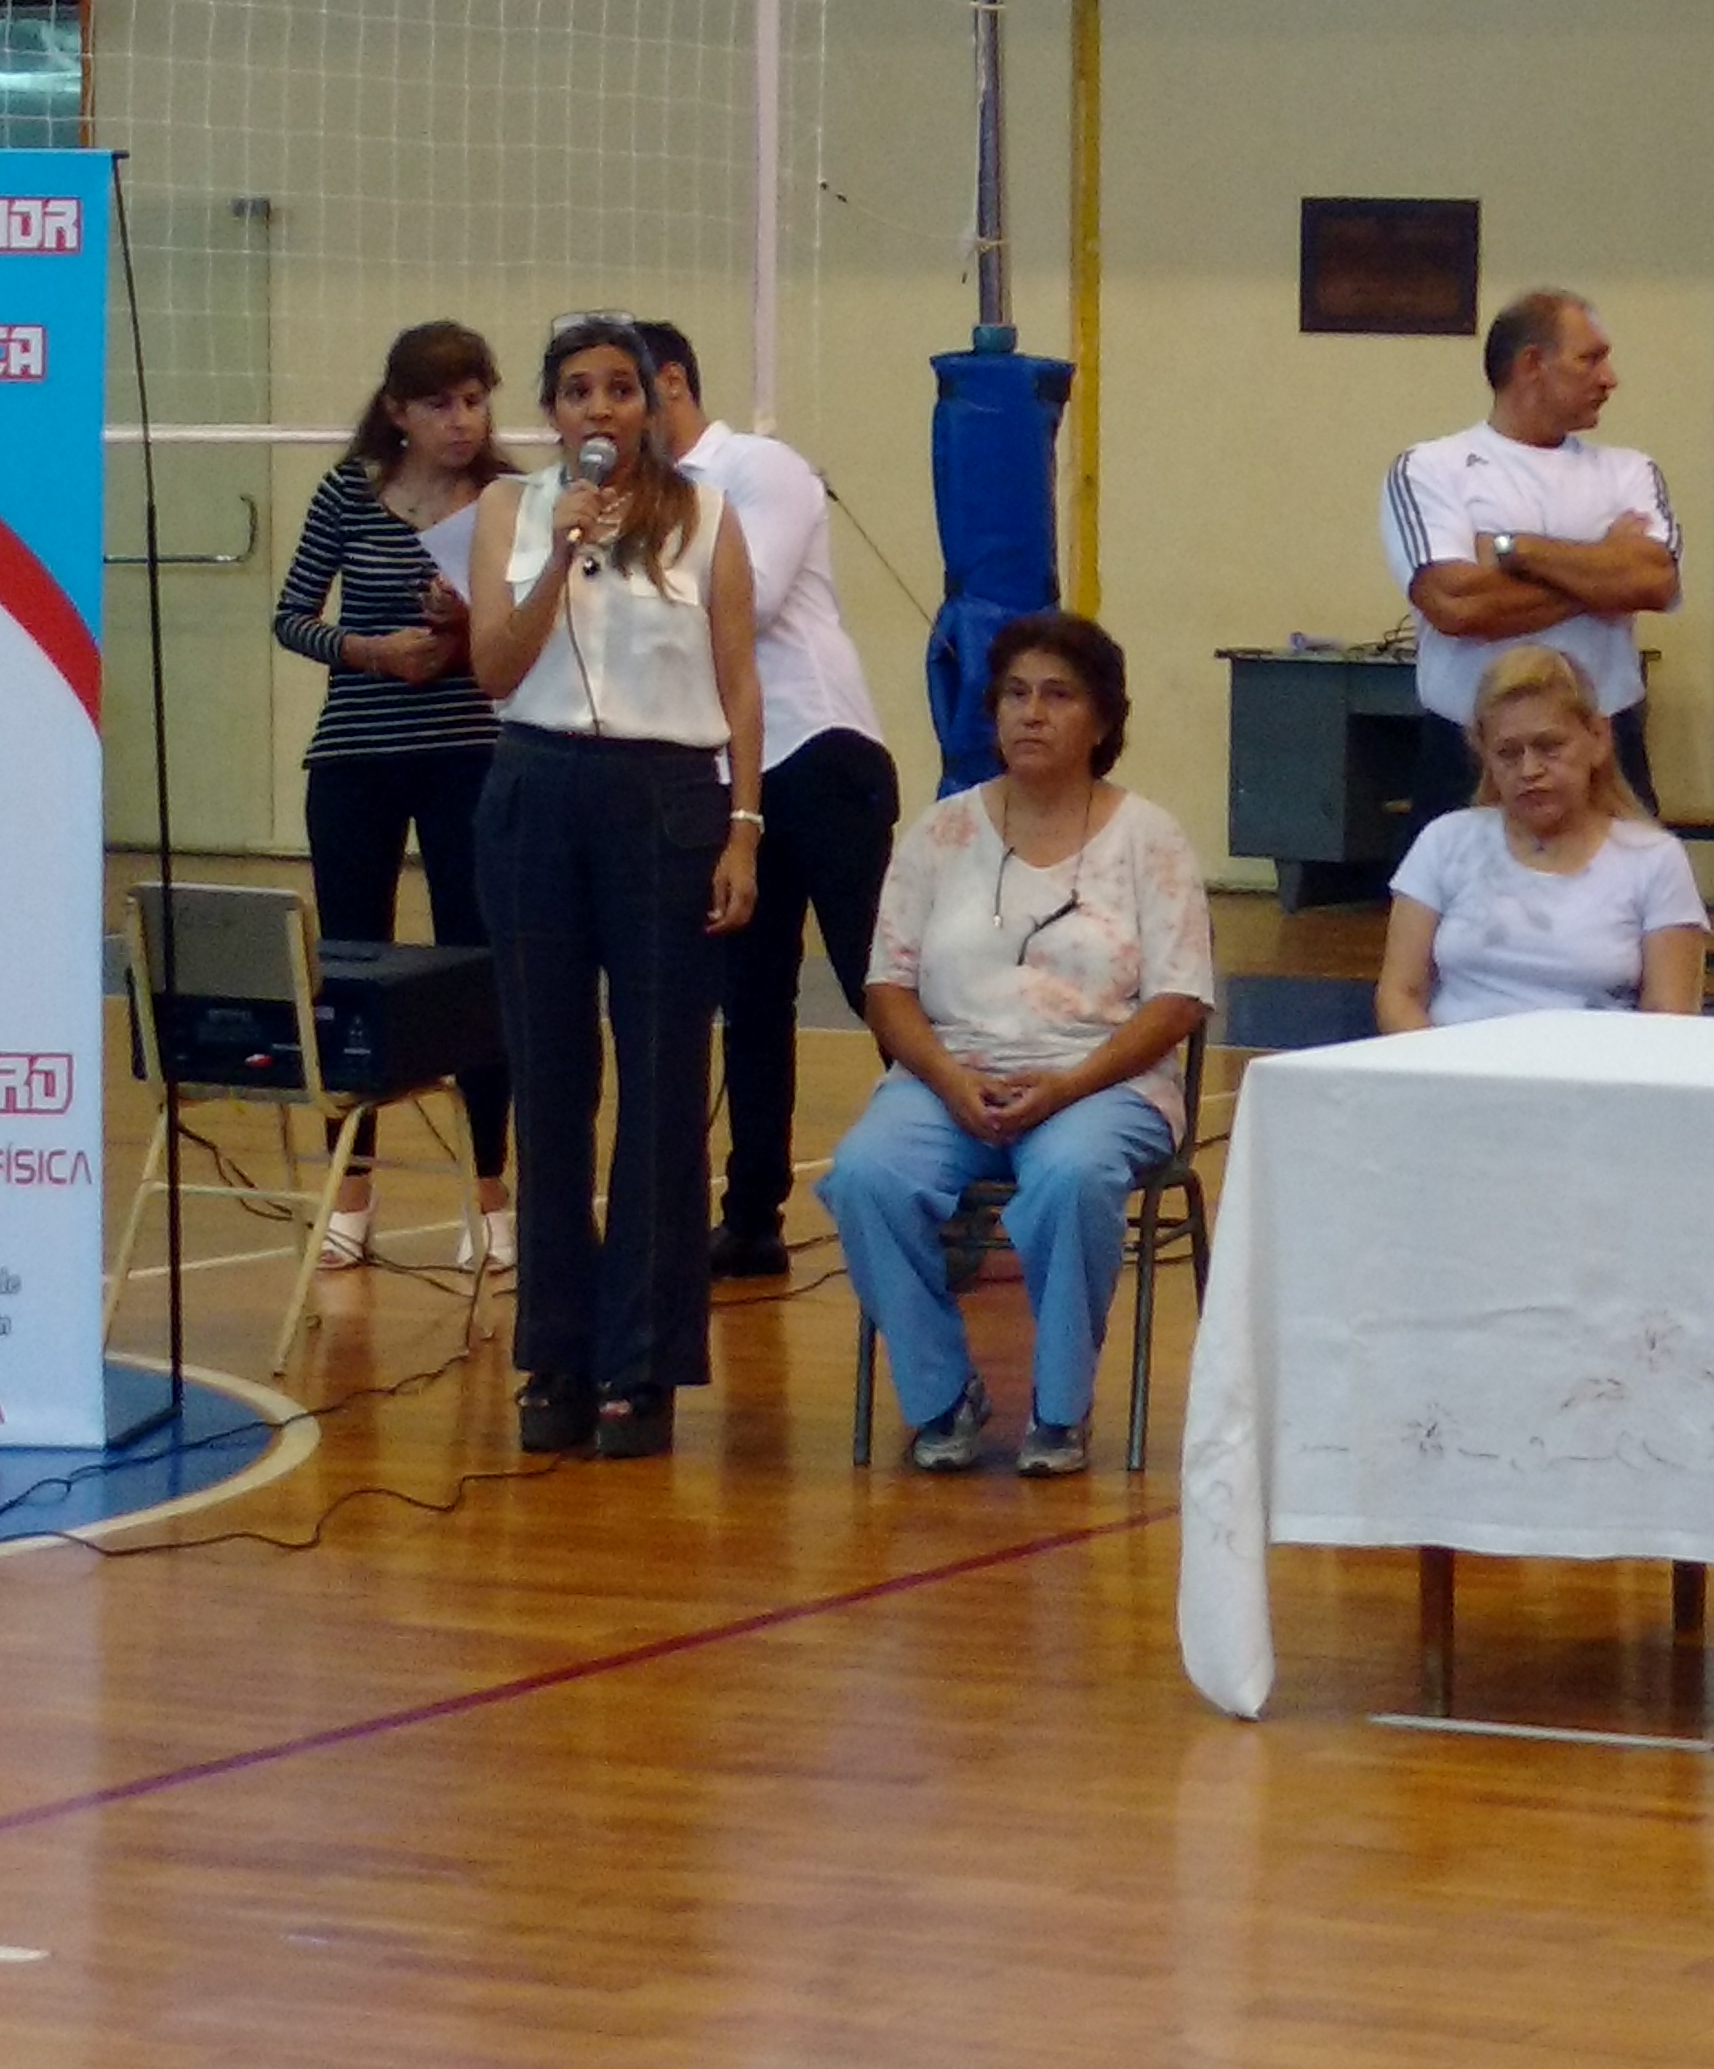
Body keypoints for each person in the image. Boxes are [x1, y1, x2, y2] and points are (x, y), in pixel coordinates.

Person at [816, 610, 1216, 1479]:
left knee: (1071, 1178)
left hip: (1103, 1081)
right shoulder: (941, 831)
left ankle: (1059, 1410)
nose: (1032, 713)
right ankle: (942, 1396)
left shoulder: (1151, 838)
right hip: (949, 1078)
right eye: (1016, 695)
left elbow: (1180, 999)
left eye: (1059, 696)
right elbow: (887, 986)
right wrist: (949, 1080)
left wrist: (1066, 1087)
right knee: (866, 1176)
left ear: (1102, 721)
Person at [465, 316, 763, 1462]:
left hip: (668, 800)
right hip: (537, 791)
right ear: (551, 411)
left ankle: (643, 1360)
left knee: (659, 1081)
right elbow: (495, 665)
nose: (600, 410)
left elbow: (739, 679)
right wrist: (554, 548)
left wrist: (742, 828)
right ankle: (556, 1352)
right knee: (549, 1078)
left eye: (620, 391)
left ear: (652, 405)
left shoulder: (711, 517)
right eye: (578, 391)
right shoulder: (512, 510)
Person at [638, 322, 900, 1285]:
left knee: (882, 983)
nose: (605, 417)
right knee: (750, 1002)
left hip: (817, 748)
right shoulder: (627, 499)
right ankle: (751, 1217)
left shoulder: (759, 468)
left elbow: (743, 603)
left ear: (668, 383)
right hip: (719, 772)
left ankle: (957, 1191)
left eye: (623, 391)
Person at [270, 319, 517, 1269]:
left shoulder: (505, 498)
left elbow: (531, 626)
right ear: (397, 412)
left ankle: (490, 1193)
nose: (462, 420)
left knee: (475, 960)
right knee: (349, 970)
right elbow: (292, 615)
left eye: (475, 399)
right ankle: (352, 1190)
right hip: (356, 757)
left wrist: (461, 633)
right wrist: (370, 651)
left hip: (466, 753)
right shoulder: (347, 491)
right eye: (440, 403)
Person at [1389, 285, 1683, 810]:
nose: (1609, 379)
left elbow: (1655, 582)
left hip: (1604, 745)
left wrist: (1513, 551)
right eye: (1590, 359)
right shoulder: (1431, 469)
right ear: (1532, 364)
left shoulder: (1629, 472)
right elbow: (1456, 605)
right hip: (1469, 748)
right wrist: (1603, 576)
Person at [1375, 642, 1713, 1028]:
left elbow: (1669, 1018)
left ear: (1598, 739)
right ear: (1483, 753)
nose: (1530, 770)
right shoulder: (1444, 842)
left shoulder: (1654, 859)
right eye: (1508, 753)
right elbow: (1399, 994)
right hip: (1453, 1075)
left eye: (1550, 747)